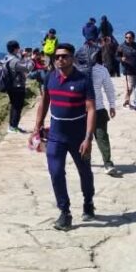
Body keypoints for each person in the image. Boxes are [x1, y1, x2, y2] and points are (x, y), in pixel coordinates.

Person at [33, 43, 96, 230]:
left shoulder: (83, 80)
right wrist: (37, 125)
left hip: (78, 136)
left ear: (72, 59)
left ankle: (88, 201)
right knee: (56, 172)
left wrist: (88, 138)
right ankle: (64, 212)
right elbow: (45, 101)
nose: (60, 59)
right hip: (55, 136)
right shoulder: (50, 77)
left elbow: (91, 109)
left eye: (64, 56)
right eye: (57, 57)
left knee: (84, 171)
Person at [88, 49, 118, 175]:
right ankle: (85, 161)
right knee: (83, 137)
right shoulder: (75, 70)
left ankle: (107, 162)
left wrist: (112, 105)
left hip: (98, 109)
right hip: (80, 110)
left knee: (102, 137)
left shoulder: (101, 70)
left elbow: (109, 88)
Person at [2, 40, 30, 132]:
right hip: (17, 86)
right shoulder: (14, 61)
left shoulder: (7, 58)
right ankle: (13, 127)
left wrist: (21, 57)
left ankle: (12, 125)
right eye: (18, 48)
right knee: (17, 106)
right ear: (15, 49)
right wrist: (28, 58)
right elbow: (27, 68)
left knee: (14, 105)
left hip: (10, 85)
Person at [117, 31, 136, 108]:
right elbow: (116, 57)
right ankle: (127, 100)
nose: (128, 39)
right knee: (130, 86)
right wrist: (121, 59)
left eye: (130, 37)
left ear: (133, 38)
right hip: (127, 69)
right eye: (126, 37)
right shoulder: (121, 46)